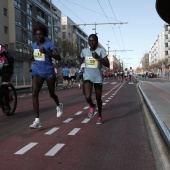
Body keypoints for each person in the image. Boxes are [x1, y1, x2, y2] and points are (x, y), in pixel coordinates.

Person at [29, 23, 63, 129]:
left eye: (41, 34)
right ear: (35, 35)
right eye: (37, 34)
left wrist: (47, 52)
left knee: (51, 93)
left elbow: (59, 57)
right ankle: (37, 120)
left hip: (49, 72)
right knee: (34, 93)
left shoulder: (49, 44)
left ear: (44, 34)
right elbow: (34, 56)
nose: (39, 36)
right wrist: (31, 57)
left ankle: (59, 105)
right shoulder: (34, 45)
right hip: (38, 71)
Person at [80, 34, 110, 124]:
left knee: (98, 98)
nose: (91, 42)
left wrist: (98, 58)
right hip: (88, 77)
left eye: (93, 41)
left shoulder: (101, 51)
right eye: (90, 41)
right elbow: (81, 58)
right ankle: (92, 105)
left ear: (97, 42)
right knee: (87, 96)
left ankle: (99, 115)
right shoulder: (84, 51)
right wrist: (81, 61)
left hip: (97, 78)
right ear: (88, 42)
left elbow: (107, 64)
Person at [0, 44, 14, 115]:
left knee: (4, 87)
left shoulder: (1, 48)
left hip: (7, 68)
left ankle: (7, 106)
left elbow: (4, 52)